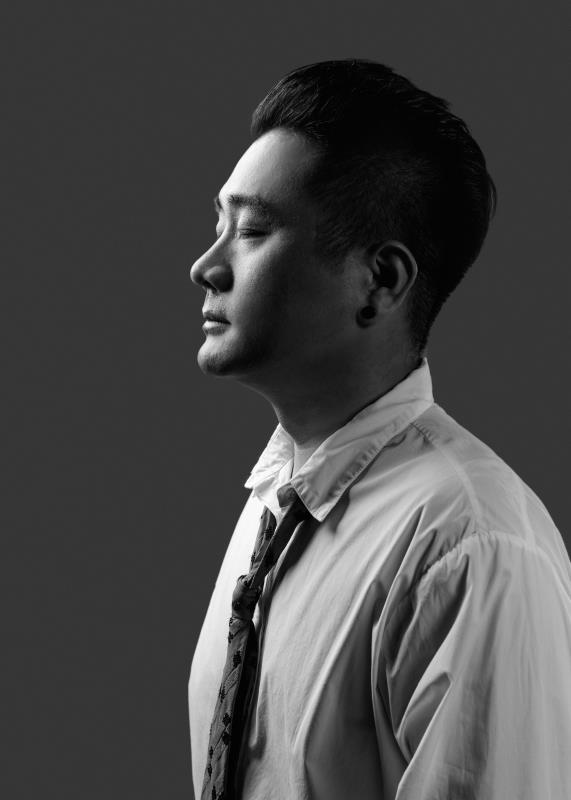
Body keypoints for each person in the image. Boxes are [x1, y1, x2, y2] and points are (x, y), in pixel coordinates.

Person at [187, 59, 571, 800]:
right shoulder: (276, 503)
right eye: (219, 226)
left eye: (253, 230)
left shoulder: (471, 544)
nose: (206, 265)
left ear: (381, 281)